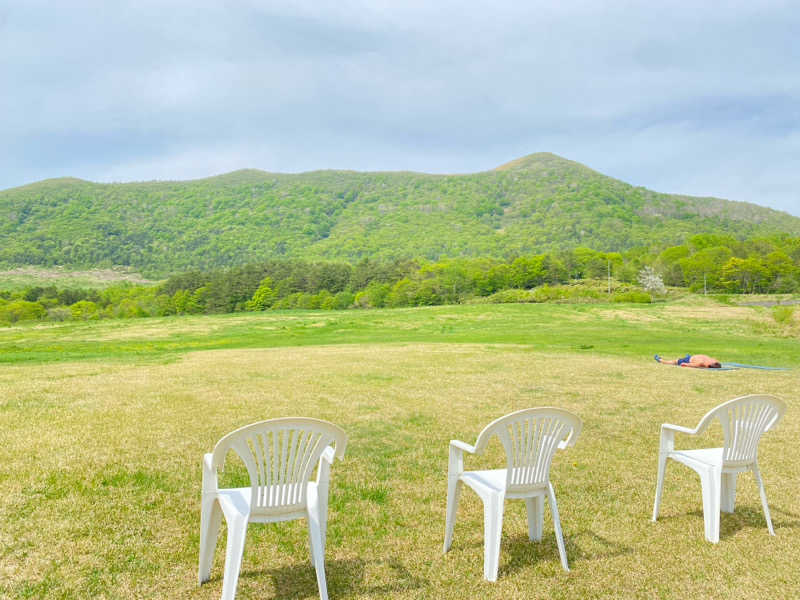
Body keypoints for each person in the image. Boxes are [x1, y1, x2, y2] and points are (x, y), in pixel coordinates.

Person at [654, 353, 722, 368]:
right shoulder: (714, 361)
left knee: (674, 362)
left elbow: (684, 364)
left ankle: (661, 360)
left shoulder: (699, 363)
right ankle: (689, 356)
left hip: (688, 360)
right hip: (693, 357)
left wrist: (686, 364)